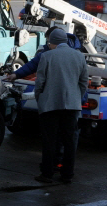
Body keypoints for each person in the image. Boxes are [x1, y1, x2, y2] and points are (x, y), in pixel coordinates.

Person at [33, 29, 88, 184]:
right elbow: (83, 82)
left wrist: (40, 98)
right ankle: (67, 174)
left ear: (52, 42)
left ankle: (47, 174)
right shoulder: (79, 56)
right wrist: (76, 97)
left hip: (50, 104)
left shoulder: (46, 56)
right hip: (72, 105)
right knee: (69, 141)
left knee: (49, 140)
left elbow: (40, 82)